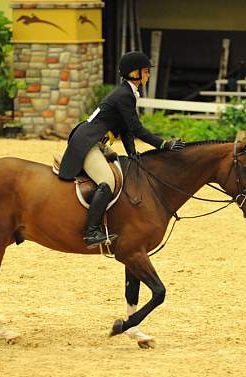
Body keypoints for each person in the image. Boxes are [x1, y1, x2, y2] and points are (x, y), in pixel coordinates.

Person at [58, 51, 185, 248]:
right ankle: (90, 232)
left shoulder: (127, 93)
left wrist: (133, 154)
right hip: (87, 143)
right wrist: (163, 144)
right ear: (135, 73)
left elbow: (126, 128)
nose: (148, 75)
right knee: (107, 181)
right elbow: (136, 129)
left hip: (96, 142)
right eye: (145, 71)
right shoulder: (124, 94)